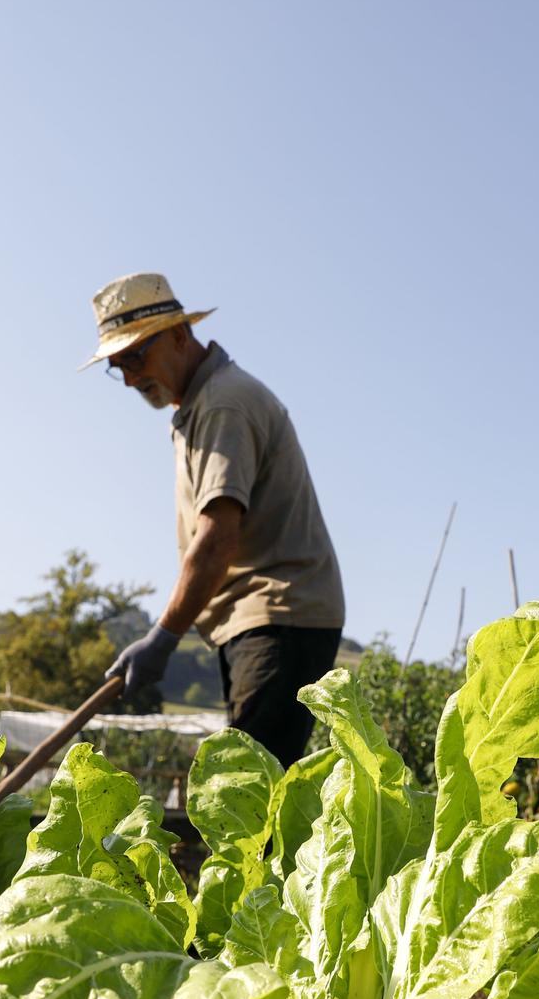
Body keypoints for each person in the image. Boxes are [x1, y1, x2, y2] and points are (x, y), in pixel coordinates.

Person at [83, 272, 344, 767]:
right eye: (119, 367)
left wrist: (162, 637)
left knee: (251, 801)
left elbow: (217, 538)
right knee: (254, 794)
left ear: (179, 335)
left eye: (137, 356)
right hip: (255, 619)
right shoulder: (199, 407)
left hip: (280, 613)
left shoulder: (224, 403)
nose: (133, 378)